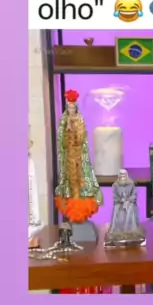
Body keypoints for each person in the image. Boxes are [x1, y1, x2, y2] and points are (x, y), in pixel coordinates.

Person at [55, 89, 103, 224]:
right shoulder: (64, 120)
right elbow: (61, 139)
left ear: (75, 108)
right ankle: (71, 208)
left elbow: (81, 139)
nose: (71, 110)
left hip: (79, 156)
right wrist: (67, 130)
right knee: (70, 182)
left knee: (81, 180)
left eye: (72, 107)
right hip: (68, 155)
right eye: (69, 107)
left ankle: (81, 209)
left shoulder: (79, 119)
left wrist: (74, 128)